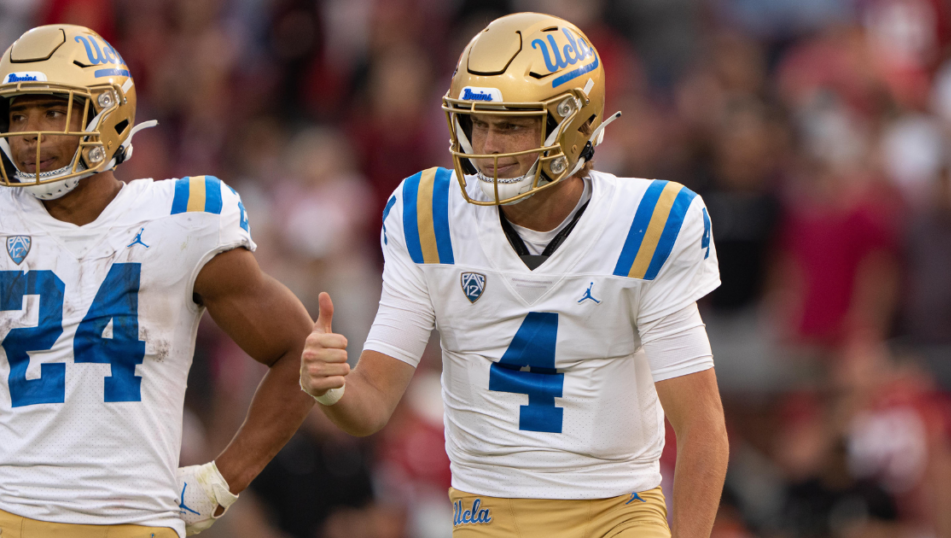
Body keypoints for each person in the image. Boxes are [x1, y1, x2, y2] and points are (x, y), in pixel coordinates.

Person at [300, 12, 729, 538]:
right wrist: (331, 388)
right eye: (476, 124)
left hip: (618, 512)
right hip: (486, 514)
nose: (487, 147)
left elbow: (702, 427)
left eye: (510, 125)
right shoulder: (429, 217)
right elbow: (370, 405)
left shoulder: (645, 225)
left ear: (572, 124)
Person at [0, 25, 316, 537]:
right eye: (18, 115)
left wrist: (222, 479)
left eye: (53, 111)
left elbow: (299, 351)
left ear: (109, 113)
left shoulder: (182, 218)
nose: (29, 135)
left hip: (135, 520)